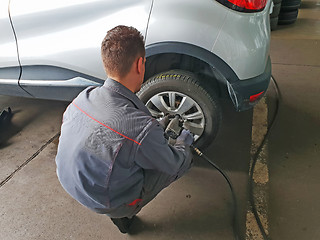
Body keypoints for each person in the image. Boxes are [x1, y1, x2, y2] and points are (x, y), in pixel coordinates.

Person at [55, 25, 193, 234]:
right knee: (179, 163)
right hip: (104, 201)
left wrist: (152, 134)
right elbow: (172, 164)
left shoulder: (85, 96)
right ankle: (123, 213)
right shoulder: (141, 129)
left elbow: (114, 134)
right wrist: (183, 145)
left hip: (68, 180)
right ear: (140, 64)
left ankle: (118, 212)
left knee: (133, 151)